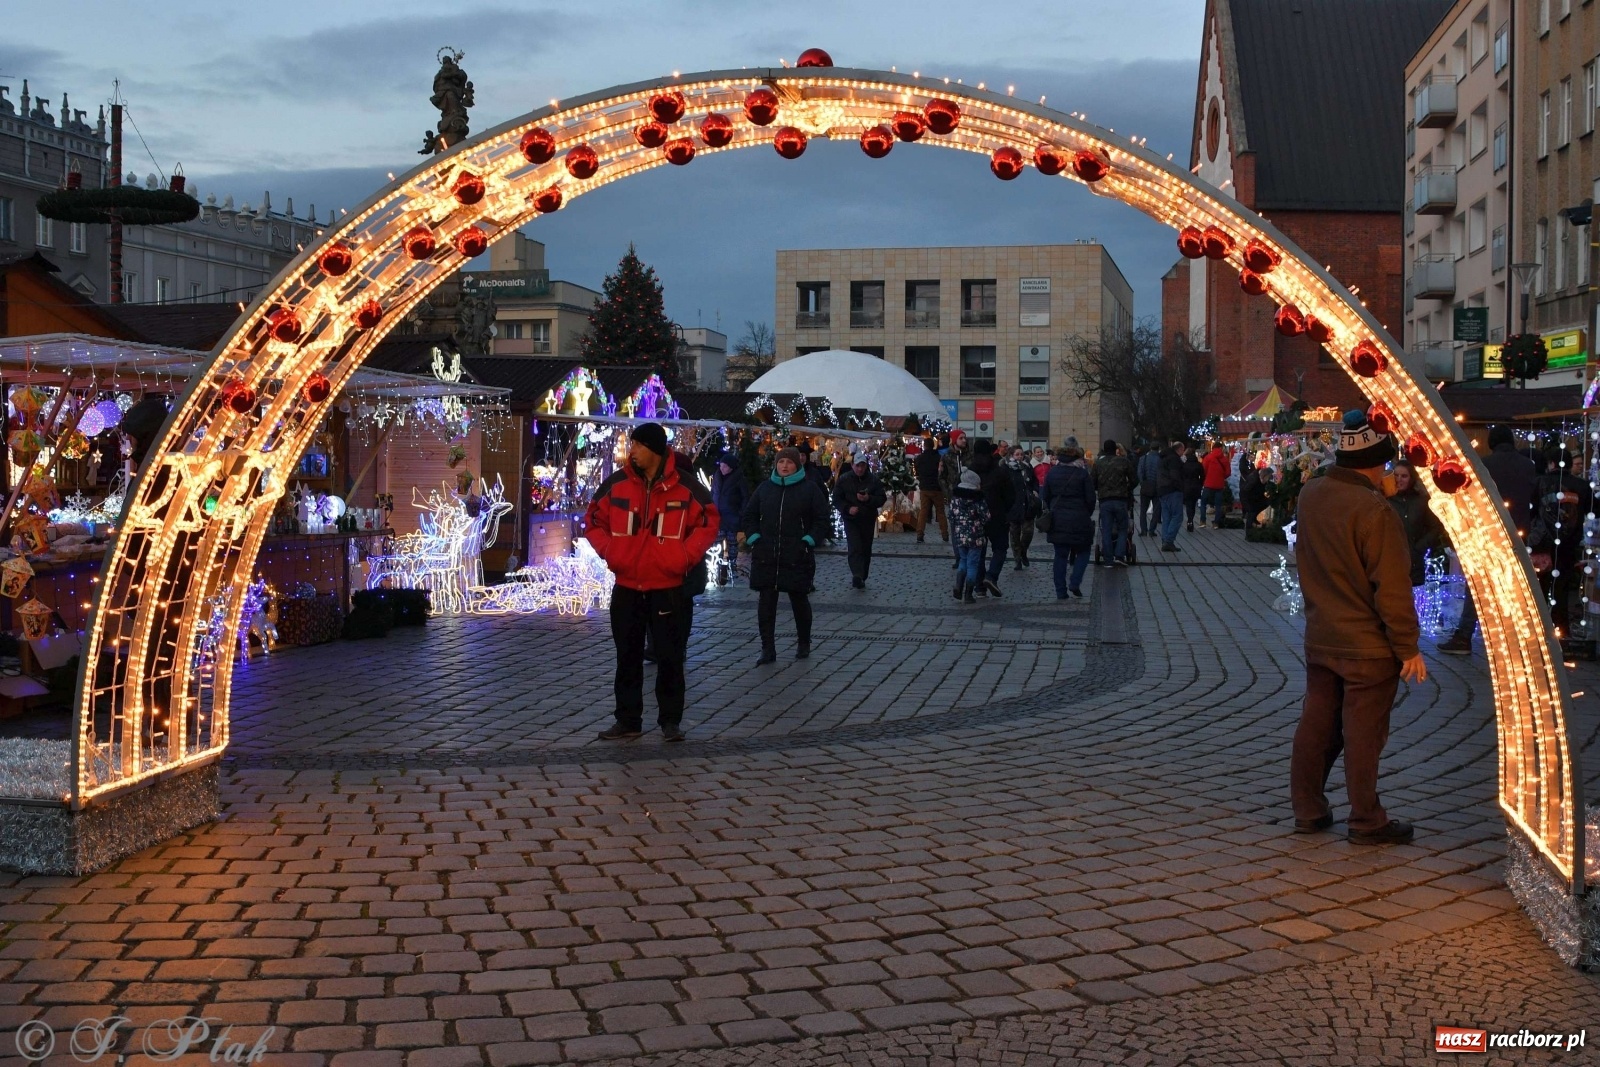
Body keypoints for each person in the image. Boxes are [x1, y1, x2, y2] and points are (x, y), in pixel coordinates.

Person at [1291, 410, 1425, 844]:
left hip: (1321, 635)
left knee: (1316, 723)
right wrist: (1407, 648)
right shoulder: (1374, 511)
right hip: (1366, 648)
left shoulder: (1311, 494)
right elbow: (1392, 588)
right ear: (1374, 463)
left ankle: (1308, 809)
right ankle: (1367, 819)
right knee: (1363, 734)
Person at [584, 423, 718, 743]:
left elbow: (709, 520)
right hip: (627, 585)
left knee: (670, 657)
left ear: (655, 450)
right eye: (633, 444)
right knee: (627, 656)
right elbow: (592, 520)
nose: (633, 451)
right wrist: (612, 553)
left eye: (639, 445)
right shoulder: (617, 483)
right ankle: (628, 720)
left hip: (667, 587)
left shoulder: (686, 487)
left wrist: (683, 556)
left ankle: (670, 721)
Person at [1440, 425, 1539, 654]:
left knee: (1478, 586)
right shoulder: (1528, 466)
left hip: (1487, 534)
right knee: (1515, 588)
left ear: (1492, 443)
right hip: (1518, 535)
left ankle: (1464, 636)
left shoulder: (1483, 465)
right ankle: (1519, 642)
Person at [742, 446, 831, 663]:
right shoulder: (765, 488)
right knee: (766, 602)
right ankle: (767, 648)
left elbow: (822, 519)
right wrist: (754, 537)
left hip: (796, 553)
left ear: (797, 465)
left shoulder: (809, 489)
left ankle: (803, 642)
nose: (784, 466)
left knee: (799, 599)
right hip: (767, 553)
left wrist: (809, 540)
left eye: (789, 462)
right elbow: (749, 515)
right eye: (781, 462)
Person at [1528, 446, 1593, 637]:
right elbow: (1593, 510)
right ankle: (1562, 631)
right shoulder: (1582, 486)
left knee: (1540, 588)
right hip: (1569, 544)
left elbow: (1531, 511)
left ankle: (1538, 630)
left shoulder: (1539, 482)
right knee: (1562, 589)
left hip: (1543, 545)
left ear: (1551, 463)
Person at [1043, 442, 1096, 598]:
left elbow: (1045, 496)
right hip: (1079, 518)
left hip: (1058, 519)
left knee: (1060, 556)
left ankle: (1060, 591)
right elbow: (1091, 498)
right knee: (1084, 551)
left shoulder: (1052, 473)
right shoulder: (1082, 474)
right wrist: (1086, 513)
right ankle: (1075, 581)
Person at [1386, 460, 1446, 586]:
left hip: (1415, 566)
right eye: (1396, 475)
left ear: (1411, 478)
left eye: (1404, 476)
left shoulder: (1421, 501)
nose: (1399, 480)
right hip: (1390, 564)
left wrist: (1419, 547)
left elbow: (1436, 527)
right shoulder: (1386, 500)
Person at [833, 452, 887, 589]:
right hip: (851, 519)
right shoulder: (844, 479)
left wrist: (869, 499)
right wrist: (847, 508)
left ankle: (863, 575)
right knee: (855, 546)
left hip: (867, 519)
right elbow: (837, 499)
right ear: (852, 465)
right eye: (857, 466)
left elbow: (881, 498)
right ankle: (857, 574)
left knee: (865, 548)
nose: (860, 469)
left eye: (862, 466)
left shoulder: (873, 480)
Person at [971, 439, 1016, 596]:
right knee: (1000, 548)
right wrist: (1005, 511)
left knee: (979, 551)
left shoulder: (969, 471)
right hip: (996, 515)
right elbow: (1011, 495)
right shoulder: (999, 471)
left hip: (975, 516)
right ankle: (991, 576)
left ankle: (979, 586)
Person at [1091, 439, 1135, 567]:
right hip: (1121, 499)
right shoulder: (1123, 461)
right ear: (1115, 449)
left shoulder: (1098, 463)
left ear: (1104, 449)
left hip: (1105, 500)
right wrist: (1127, 489)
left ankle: (1108, 558)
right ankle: (1120, 555)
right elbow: (1134, 479)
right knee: (1122, 528)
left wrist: (1100, 489)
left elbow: (1092, 481)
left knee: (1106, 529)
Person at [949, 469, 989, 604]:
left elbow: (951, 515)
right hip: (976, 535)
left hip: (960, 534)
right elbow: (986, 516)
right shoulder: (978, 498)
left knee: (963, 561)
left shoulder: (955, 498)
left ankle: (958, 587)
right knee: (972, 564)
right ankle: (968, 594)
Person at [710, 450, 748, 585]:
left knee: (732, 542)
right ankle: (719, 565)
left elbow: (744, 497)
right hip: (718, 516)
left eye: (724, 466)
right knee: (717, 542)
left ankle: (732, 565)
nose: (722, 468)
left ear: (731, 467)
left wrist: (741, 512)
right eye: (721, 465)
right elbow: (713, 492)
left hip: (732, 516)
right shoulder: (717, 476)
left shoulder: (739, 478)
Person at [940, 430, 972, 566]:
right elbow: (941, 477)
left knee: (970, 527)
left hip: (970, 496)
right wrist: (948, 493)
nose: (964, 440)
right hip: (955, 496)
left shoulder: (970, 456)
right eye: (961, 438)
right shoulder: (947, 456)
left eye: (965, 438)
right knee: (955, 527)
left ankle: (968, 555)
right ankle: (958, 556)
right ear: (954, 440)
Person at [1006, 446, 1039, 569]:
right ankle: (1017, 559)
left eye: (1021, 454)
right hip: (1014, 504)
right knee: (1014, 533)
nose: (1020, 457)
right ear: (1012, 455)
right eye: (1017, 455)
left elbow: (1035, 482)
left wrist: (1035, 490)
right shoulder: (1007, 468)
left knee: (1028, 532)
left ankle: (1023, 551)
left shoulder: (1028, 467)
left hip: (1028, 504)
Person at [913, 434, 948, 543]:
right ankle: (945, 534)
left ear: (924, 446)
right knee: (941, 512)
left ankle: (920, 534)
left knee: (923, 511)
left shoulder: (919, 458)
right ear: (933, 445)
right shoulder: (938, 457)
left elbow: (917, 471)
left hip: (925, 488)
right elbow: (943, 471)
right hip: (937, 488)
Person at [1156, 439, 1187, 552]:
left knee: (1167, 517)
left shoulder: (1162, 458)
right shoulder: (1174, 459)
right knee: (1177, 516)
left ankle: (1165, 540)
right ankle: (1169, 541)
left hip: (1162, 490)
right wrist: (1180, 487)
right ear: (1180, 449)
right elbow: (1175, 475)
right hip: (1172, 490)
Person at [1199, 442, 1231, 528]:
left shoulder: (1208, 457)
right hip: (1219, 485)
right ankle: (1216, 523)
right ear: (1220, 448)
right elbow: (1228, 473)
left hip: (1208, 484)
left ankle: (1203, 521)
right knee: (1218, 505)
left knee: (1203, 503)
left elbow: (1203, 470)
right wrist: (1221, 477)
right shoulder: (1224, 459)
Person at [1137, 443, 1162, 537]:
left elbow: (1139, 472)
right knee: (1156, 509)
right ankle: (1152, 530)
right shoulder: (1160, 459)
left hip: (1146, 485)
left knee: (1143, 510)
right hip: (1157, 486)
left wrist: (1142, 482)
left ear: (1150, 448)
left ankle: (1143, 530)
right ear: (1158, 449)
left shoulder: (1143, 458)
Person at [1181, 446, 1204, 533]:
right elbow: (1202, 476)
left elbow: (1181, 476)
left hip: (1186, 486)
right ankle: (1191, 520)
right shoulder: (1198, 464)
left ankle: (1189, 520)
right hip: (1195, 485)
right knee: (1193, 504)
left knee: (1188, 505)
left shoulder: (1184, 465)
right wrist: (1200, 484)